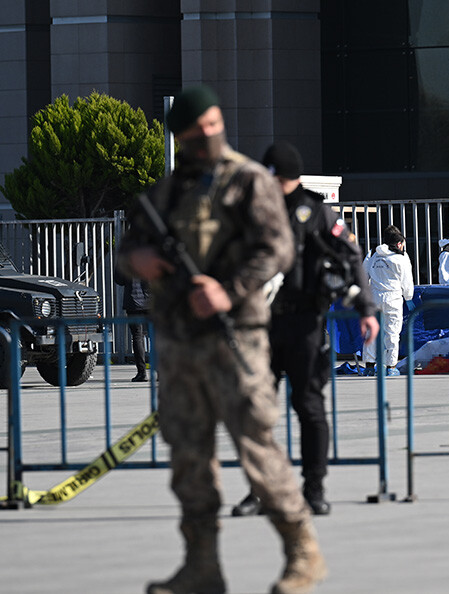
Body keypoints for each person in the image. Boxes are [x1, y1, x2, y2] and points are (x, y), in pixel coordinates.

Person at [118, 86, 326, 594]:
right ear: (182, 137)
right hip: (179, 345)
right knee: (189, 458)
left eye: (214, 124)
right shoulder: (164, 193)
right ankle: (201, 566)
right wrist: (137, 263)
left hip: (235, 340)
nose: (209, 135)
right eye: (197, 131)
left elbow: (277, 250)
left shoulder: (249, 181)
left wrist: (228, 292)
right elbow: (127, 251)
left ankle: (303, 552)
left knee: (257, 447)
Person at [231, 141, 379, 519]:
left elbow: (351, 257)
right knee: (256, 412)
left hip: (305, 324)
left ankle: (313, 488)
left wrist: (365, 308)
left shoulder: (317, 212)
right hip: (261, 323)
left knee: (309, 407)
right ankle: (258, 490)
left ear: (281, 176)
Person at [363, 228, 415, 376]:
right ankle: (390, 367)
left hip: (374, 297)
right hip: (393, 299)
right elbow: (407, 282)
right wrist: (409, 298)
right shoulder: (402, 257)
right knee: (392, 332)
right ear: (399, 244)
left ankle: (369, 366)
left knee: (371, 331)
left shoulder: (372, 254)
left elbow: (363, 275)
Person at [114, 270, 151, 382]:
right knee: (155, 337)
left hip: (133, 301)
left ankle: (142, 373)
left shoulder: (126, 256)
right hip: (151, 300)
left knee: (137, 337)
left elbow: (119, 280)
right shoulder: (152, 253)